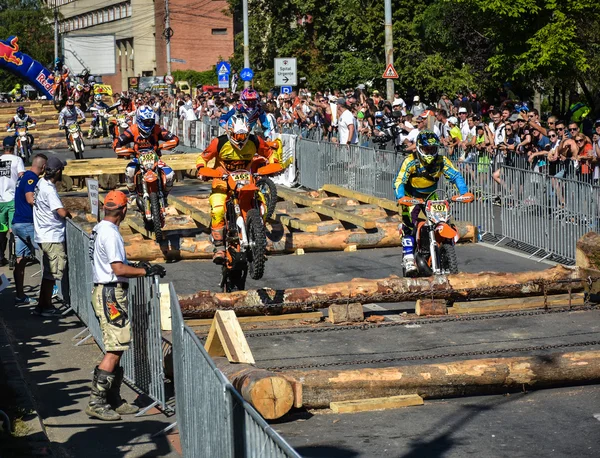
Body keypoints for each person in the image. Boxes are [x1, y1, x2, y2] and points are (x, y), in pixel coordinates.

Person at [86, 190, 166, 421]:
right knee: (114, 348)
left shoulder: (101, 228)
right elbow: (118, 270)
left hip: (107, 291)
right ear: (123, 211)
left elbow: (114, 263)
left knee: (118, 346)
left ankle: (112, 398)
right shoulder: (110, 234)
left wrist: (134, 264)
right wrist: (144, 270)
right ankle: (97, 401)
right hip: (110, 293)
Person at [195, 114, 278, 263]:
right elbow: (203, 157)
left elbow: (270, 152)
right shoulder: (219, 143)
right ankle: (219, 247)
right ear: (230, 132)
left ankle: (258, 239)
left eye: (243, 135)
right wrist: (202, 169)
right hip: (222, 180)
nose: (240, 139)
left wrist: (273, 163)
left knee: (261, 206)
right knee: (218, 209)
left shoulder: (254, 140)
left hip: (246, 180)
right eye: (236, 135)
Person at [393, 131, 469, 276]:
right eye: (426, 149)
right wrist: (401, 196)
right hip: (411, 196)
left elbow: (455, 175)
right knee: (409, 224)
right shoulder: (410, 161)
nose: (429, 152)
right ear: (419, 148)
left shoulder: (442, 161)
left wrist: (463, 192)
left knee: (443, 221)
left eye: (432, 149)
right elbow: (399, 180)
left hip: (431, 195)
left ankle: (443, 249)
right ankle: (408, 257)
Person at [32, 156, 71, 316]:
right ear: (58, 171)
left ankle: (42, 304)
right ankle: (46, 306)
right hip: (51, 236)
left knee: (48, 273)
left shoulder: (41, 183)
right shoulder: (48, 189)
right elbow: (61, 212)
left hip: (44, 234)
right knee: (51, 274)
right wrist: (69, 214)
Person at [114, 106, 179, 196]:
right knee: (130, 170)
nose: (148, 124)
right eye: (146, 121)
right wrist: (124, 150)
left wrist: (162, 146)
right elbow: (118, 141)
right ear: (139, 120)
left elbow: (174, 138)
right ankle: (132, 195)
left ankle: (165, 195)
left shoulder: (157, 128)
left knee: (170, 175)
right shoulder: (132, 129)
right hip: (138, 158)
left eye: (150, 121)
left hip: (155, 158)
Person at [12, 154, 47, 305]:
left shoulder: (23, 176)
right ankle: (47, 298)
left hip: (17, 223)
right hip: (27, 224)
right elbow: (30, 198)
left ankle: (20, 295)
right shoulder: (32, 179)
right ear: (44, 167)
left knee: (21, 260)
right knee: (45, 257)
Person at [0, 136, 25, 266]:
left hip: (0, 200)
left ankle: (0, 257)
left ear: (3, 147)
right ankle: (12, 257)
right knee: (12, 229)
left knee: (1, 229)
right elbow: (21, 176)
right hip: (12, 199)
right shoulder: (17, 160)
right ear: (13, 147)